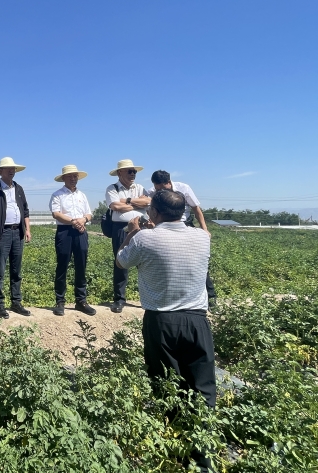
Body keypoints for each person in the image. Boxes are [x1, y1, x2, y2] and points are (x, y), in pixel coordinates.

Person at [115, 189, 215, 471]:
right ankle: (202, 458)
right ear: (182, 212)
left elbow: (121, 261)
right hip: (197, 320)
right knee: (203, 388)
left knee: (167, 386)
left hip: (161, 322)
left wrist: (132, 232)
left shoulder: (145, 238)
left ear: (154, 212)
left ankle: (176, 452)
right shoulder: (202, 237)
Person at [147, 170, 217, 305]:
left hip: (185, 224)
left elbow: (196, 209)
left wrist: (204, 229)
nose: (160, 191)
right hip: (164, 227)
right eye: (157, 188)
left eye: (162, 188)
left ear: (168, 182)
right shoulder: (151, 192)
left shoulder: (184, 188)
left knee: (195, 260)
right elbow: (148, 209)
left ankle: (210, 296)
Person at [0, 157, 32, 319]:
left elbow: (25, 210)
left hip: (18, 232)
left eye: (13, 169)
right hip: (2, 233)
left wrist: (27, 229)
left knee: (16, 270)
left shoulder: (19, 188)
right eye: (8, 168)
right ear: (1, 171)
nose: (12, 171)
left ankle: (16, 302)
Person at [105, 159, 151, 313]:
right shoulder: (112, 189)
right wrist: (137, 203)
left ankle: (147, 298)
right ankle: (119, 299)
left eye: (134, 171)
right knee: (120, 261)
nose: (133, 174)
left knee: (143, 262)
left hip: (141, 226)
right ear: (120, 173)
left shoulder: (140, 187)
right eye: (130, 171)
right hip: (120, 228)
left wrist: (127, 201)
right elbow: (115, 206)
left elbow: (148, 202)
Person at [50, 165, 96, 316]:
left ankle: (81, 301)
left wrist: (83, 220)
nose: (73, 178)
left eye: (75, 176)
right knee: (62, 265)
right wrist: (73, 221)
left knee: (81, 265)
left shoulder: (82, 195)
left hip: (81, 231)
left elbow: (89, 214)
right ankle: (60, 301)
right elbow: (56, 214)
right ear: (63, 178)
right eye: (70, 176)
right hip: (65, 232)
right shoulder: (57, 195)